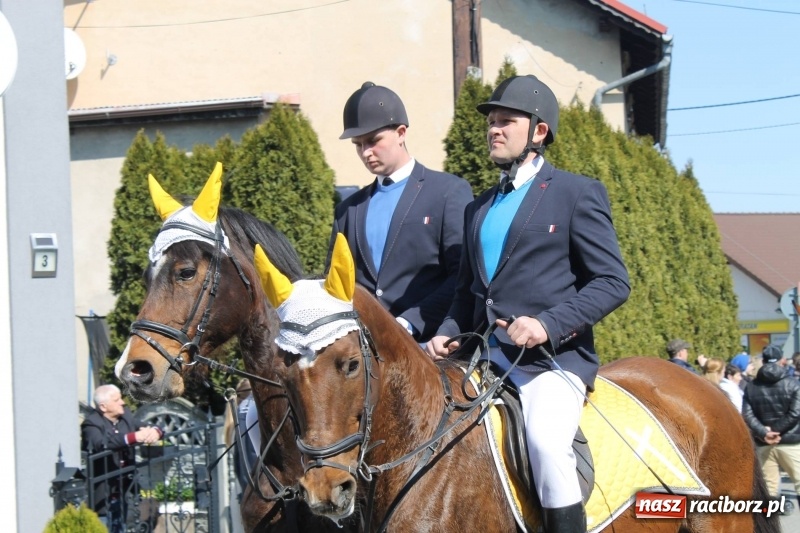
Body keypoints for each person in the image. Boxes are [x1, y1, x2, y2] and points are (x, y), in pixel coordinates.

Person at [426, 74, 630, 532]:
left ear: (539, 131)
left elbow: (613, 281)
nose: (493, 129)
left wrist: (547, 324)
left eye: (506, 121)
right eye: (491, 122)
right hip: (481, 359)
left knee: (544, 442)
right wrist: (446, 332)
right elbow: (467, 295)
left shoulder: (576, 193)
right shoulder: (477, 207)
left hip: (549, 362)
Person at [331, 82, 474, 343]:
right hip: (364, 357)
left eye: (373, 141)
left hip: (431, 350)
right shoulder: (347, 210)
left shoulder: (448, 192)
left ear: (401, 133)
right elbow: (338, 283)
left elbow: (462, 276)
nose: (366, 152)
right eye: (358, 144)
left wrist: (409, 323)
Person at [81, 384, 163, 533]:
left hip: (124, 491)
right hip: (102, 496)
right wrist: (133, 437)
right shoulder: (91, 424)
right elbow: (102, 444)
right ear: (103, 407)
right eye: (116, 400)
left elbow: (145, 426)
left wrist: (155, 432)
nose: (122, 402)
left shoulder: (125, 416)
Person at [742, 343, 800, 510]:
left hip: (764, 443)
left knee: (768, 489)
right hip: (791, 441)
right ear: (782, 360)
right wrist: (778, 430)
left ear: (764, 360)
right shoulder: (793, 383)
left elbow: (747, 414)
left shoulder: (751, 386)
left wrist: (764, 432)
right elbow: (795, 413)